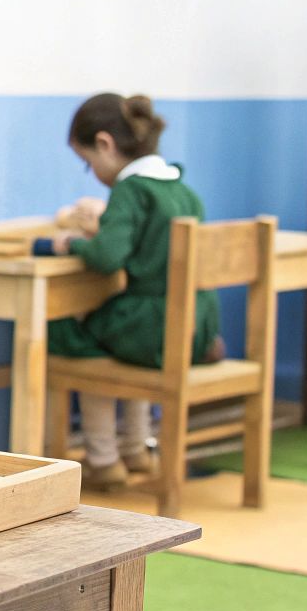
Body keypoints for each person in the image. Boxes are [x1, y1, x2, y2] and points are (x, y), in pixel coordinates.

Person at [38, 94, 217, 490]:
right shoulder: (182, 189)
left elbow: (107, 257)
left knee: (72, 339)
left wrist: (71, 244)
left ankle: (103, 460)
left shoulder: (131, 190)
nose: (92, 173)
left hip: (153, 326)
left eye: (88, 162)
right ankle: (136, 448)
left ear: (105, 144)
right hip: (195, 324)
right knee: (120, 347)